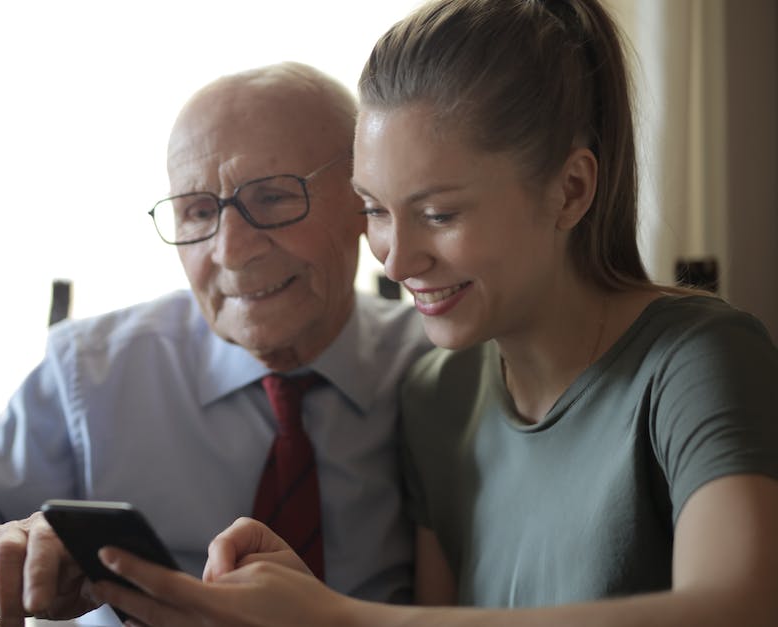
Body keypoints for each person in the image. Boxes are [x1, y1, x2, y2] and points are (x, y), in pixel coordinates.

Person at [87, 1, 778, 625]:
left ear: (570, 190)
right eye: (375, 210)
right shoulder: (437, 395)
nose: (393, 260)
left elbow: (738, 608)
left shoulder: (697, 359)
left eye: (438, 213)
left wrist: (341, 619)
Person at [0, 61, 432, 625]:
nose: (230, 250)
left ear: (365, 202)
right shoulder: (96, 374)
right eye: (198, 212)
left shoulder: (440, 371)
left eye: (272, 198)